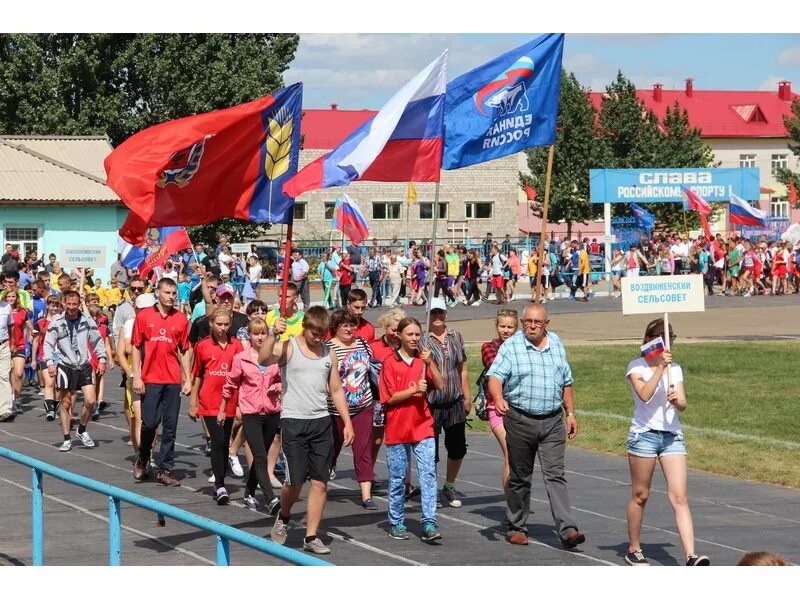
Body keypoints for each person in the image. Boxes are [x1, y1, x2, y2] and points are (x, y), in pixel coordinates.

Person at [486, 304, 585, 548]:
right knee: (520, 476)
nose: (531, 326)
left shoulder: (556, 344)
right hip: (520, 419)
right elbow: (495, 377)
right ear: (522, 322)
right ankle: (517, 526)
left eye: (536, 322)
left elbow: (567, 381)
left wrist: (570, 413)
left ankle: (568, 529)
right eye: (527, 321)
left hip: (552, 421)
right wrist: (498, 398)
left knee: (556, 475)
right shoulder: (511, 346)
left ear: (546, 324)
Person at [259, 306, 354, 555]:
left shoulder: (328, 353)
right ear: (305, 327)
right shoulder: (289, 347)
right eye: (314, 333)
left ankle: (311, 536)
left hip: (321, 422)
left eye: (322, 333)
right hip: (294, 422)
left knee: (321, 483)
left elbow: (335, 390)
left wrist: (347, 422)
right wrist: (272, 333)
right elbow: (263, 358)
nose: (318, 338)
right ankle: (285, 514)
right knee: (295, 481)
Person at [623, 318, 710, 567]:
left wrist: (676, 400)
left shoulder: (676, 369)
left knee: (680, 496)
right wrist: (660, 368)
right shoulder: (637, 366)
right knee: (641, 494)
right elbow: (645, 395)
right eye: (660, 335)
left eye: (669, 335)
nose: (665, 340)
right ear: (649, 339)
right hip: (644, 436)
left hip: (671, 436)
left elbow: (682, 404)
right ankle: (634, 548)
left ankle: (690, 555)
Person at [379, 316, 444, 542]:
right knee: (398, 478)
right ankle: (396, 521)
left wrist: (430, 363)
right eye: (410, 334)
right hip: (398, 428)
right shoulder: (390, 362)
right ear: (400, 335)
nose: (415, 338)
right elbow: (389, 397)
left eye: (418, 334)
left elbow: (440, 384)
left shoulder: (423, 360)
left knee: (428, 474)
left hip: (422, 425)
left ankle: (429, 521)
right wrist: (414, 389)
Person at [131, 278, 192, 487]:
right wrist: (137, 375)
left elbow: (184, 350)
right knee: (149, 423)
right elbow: (136, 347)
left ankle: (165, 469)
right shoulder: (144, 316)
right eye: (167, 292)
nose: (171, 297)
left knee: (170, 426)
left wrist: (188, 378)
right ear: (158, 292)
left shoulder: (181, 319)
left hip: (172, 379)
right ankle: (143, 457)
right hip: (150, 378)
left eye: (174, 293)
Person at [221, 317, 282, 516]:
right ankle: (271, 498)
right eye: (256, 333)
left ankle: (248, 492)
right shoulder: (242, 358)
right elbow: (230, 384)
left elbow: (285, 379)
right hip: (251, 413)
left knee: (261, 456)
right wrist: (223, 408)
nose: (260, 337)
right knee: (260, 455)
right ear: (250, 335)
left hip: (272, 411)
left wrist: (278, 386)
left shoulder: (275, 355)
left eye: (263, 333)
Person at [189, 308, 244, 505]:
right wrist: (193, 402)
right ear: (211, 324)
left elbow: (242, 375)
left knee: (224, 441)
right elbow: (196, 375)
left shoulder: (237, 346)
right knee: (218, 440)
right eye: (218, 324)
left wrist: (240, 403)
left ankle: (220, 477)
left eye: (225, 324)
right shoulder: (202, 346)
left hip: (230, 400)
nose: (222, 328)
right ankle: (219, 485)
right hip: (209, 401)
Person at [325, 309, 377, 509]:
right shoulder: (328, 348)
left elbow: (371, 369)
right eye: (344, 325)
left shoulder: (363, 344)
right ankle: (322, 482)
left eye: (351, 325)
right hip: (335, 410)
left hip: (363, 405)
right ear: (335, 328)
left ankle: (366, 495)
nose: (349, 329)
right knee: (331, 450)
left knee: (363, 450)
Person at [43, 290, 107, 451]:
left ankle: (82, 429)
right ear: (63, 303)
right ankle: (66, 438)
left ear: (79, 304)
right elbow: (48, 344)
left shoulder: (87, 321)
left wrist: (102, 359)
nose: (71, 307)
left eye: (75, 304)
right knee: (65, 404)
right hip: (65, 365)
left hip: (84, 365)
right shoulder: (56, 322)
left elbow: (97, 340)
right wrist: (50, 363)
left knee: (90, 401)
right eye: (69, 304)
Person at [423, 298, 470, 509]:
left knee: (457, 447)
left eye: (440, 312)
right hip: (431, 404)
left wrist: (467, 396)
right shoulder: (423, 340)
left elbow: (463, 368)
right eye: (433, 313)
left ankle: (449, 486)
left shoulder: (456, 336)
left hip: (454, 402)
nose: (437, 317)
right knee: (429, 450)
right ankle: (430, 488)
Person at [481, 308, 518, 497]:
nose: (506, 330)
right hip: (496, 407)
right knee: (510, 453)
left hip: (519, 407)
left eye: (510, 327)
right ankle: (511, 504)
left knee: (520, 458)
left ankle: (518, 500)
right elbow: (497, 367)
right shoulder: (489, 347)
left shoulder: (522, 345)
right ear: (496, 326)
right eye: (502, 326)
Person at [31, 295, 62, 420]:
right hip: (46, 356)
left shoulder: (63, 321)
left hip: (61, 356)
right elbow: (36, 341)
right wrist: (34, 359)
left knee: (58, 385)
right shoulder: (40, 322)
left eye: (57, 305)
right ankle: (49, 410)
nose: (54, 308)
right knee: (49, 383)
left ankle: (55, 406)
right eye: (52, 305)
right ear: (48, 306)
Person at [4, 289, 34, 415]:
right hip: (5, 346)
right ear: (5, 298)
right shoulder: (2, 311)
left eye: (13, 296)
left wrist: (34, 335)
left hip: (19, 345)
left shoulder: (22, 312)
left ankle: (17, 399)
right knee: (6, 375)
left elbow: (31, 328)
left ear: (17, 298)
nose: (10, 299)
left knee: (19, 373)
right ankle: (8, 399)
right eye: (8, 297)